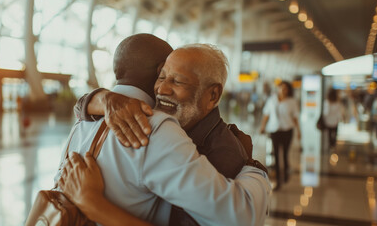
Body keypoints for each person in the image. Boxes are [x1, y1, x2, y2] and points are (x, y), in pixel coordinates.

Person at [57, 34, 270, 226]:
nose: (162, 89)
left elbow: (239, 218)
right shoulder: (150, 126)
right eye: (162, 77)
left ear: (213, 95)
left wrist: (251, 167)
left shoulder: (84, 123)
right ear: (158, 69)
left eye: (177, 80)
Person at [260, 81, 300, 190]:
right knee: (277, 155)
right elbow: (266, 114)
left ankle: (286, 172)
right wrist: (262, 126)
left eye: (285, 88)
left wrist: (299, 131)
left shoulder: (291, 102)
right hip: (274, 130)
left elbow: (295, 117)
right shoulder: (272, 100)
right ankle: (278, 181)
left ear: (289, 90)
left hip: (287, 130)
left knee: (285, 154)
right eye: (281, 88)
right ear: (278, 89)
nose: (283, 90)